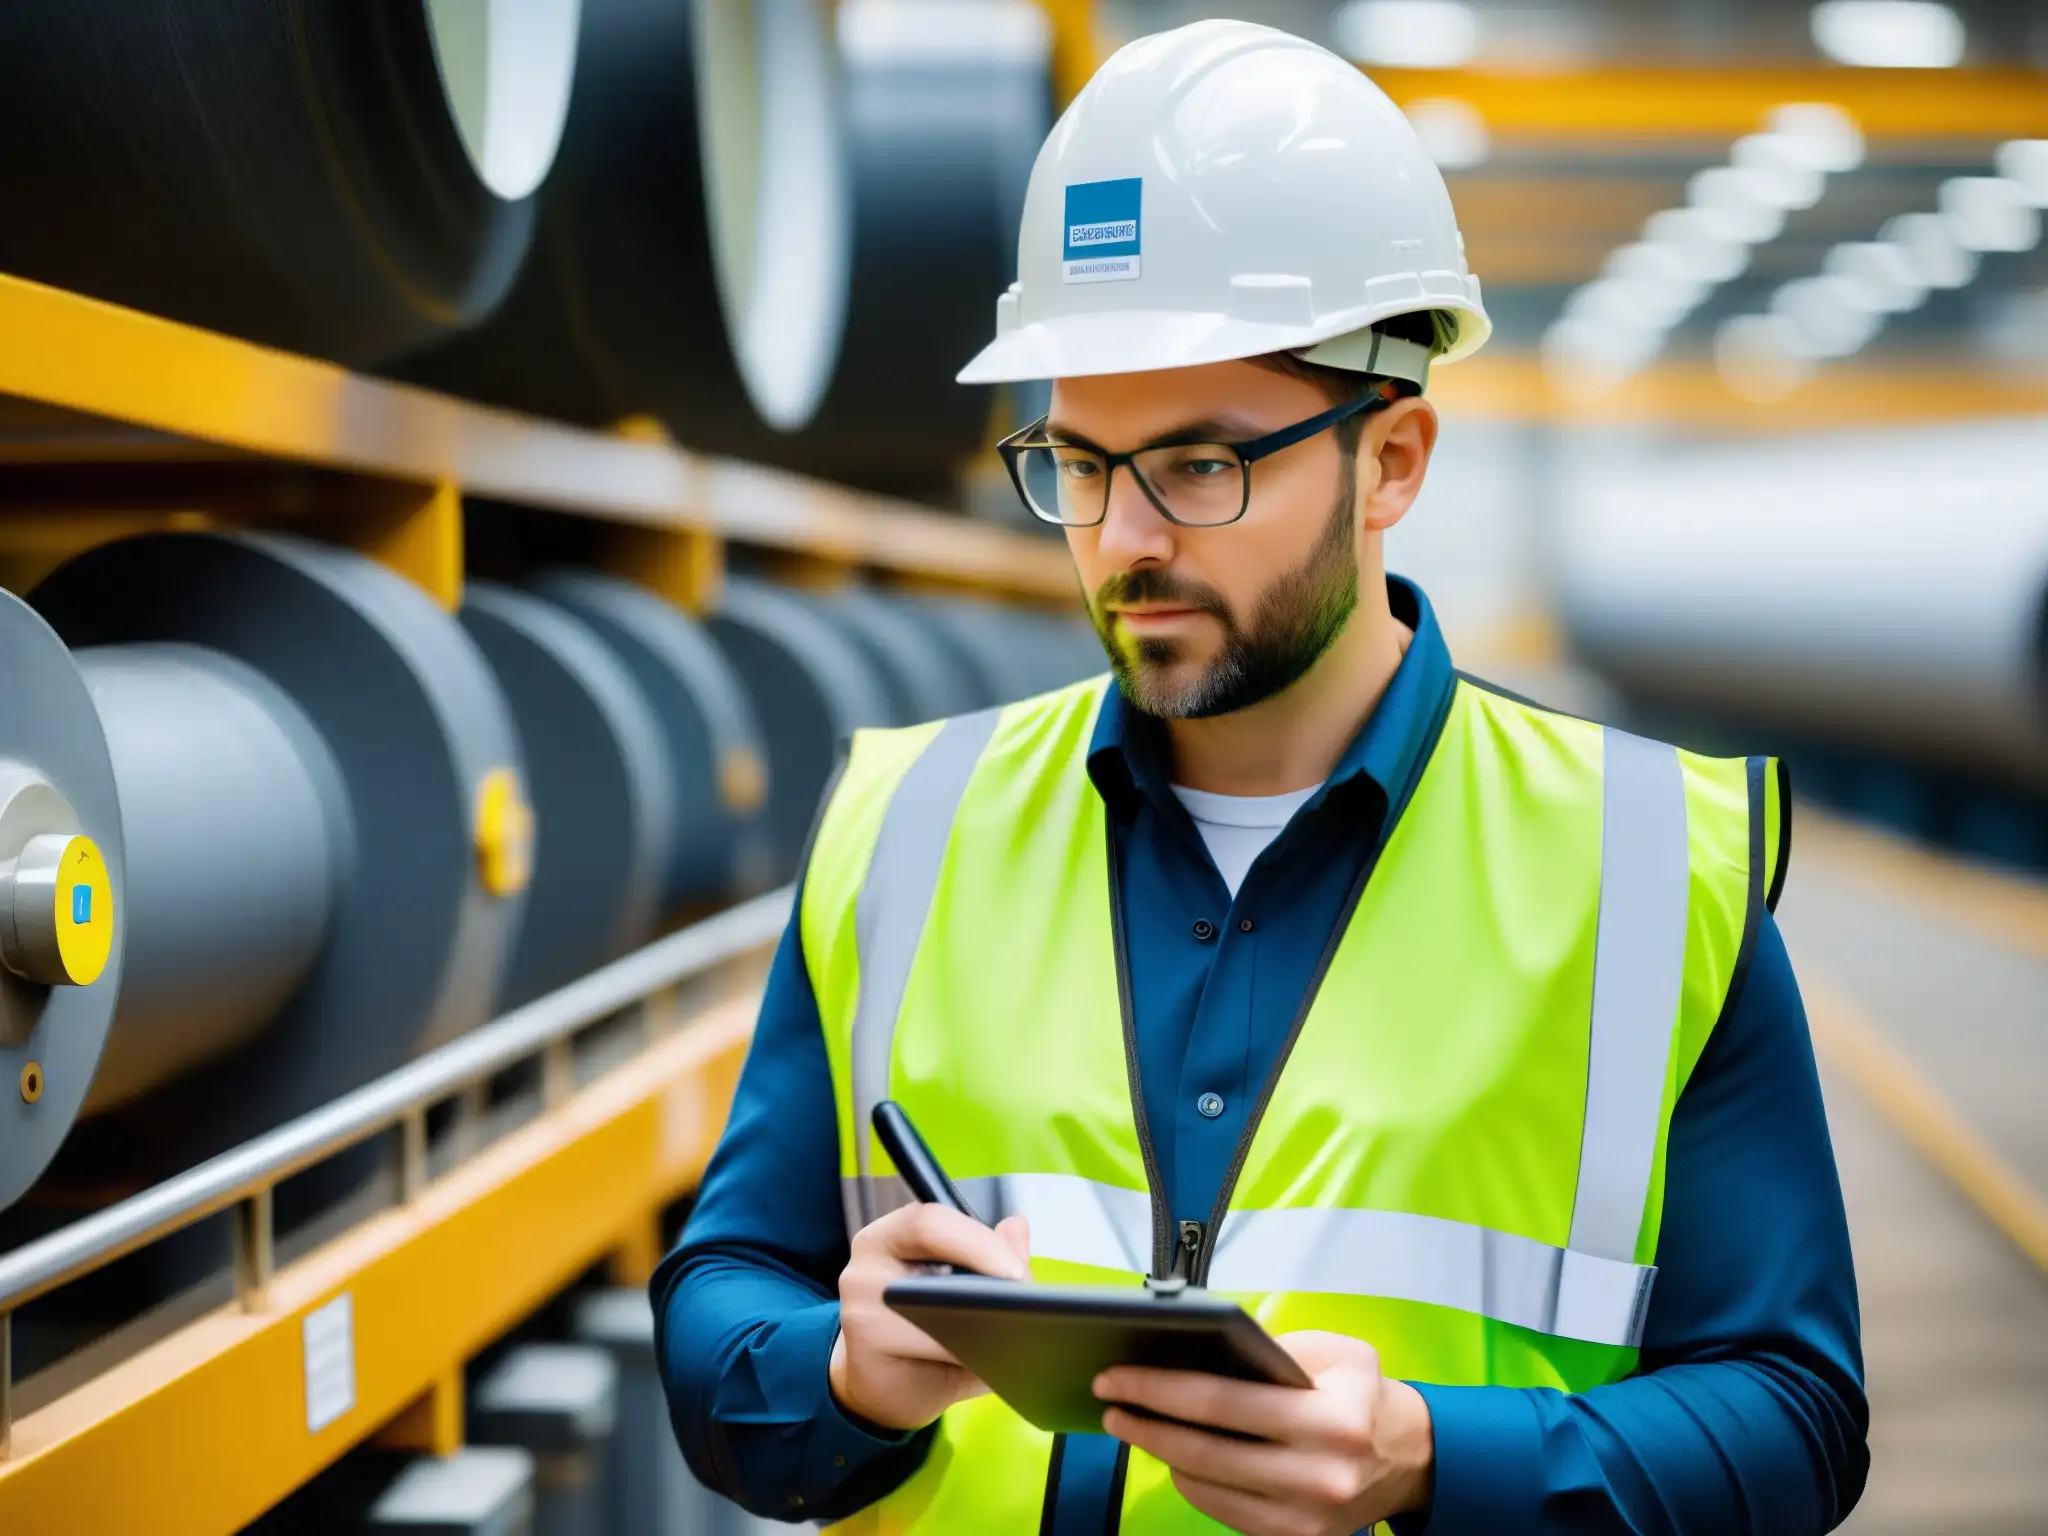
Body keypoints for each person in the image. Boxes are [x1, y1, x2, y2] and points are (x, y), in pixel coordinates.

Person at [653, 19, 1866, 1534]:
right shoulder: (907, 827)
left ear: (1397, 460)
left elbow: (1796, 1418)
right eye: (1081, 465)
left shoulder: (1645, 866)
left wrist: (1430, 1456)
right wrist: (845, 1369)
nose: (1128, 540)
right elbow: (717, 1306)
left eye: (1203, 463)